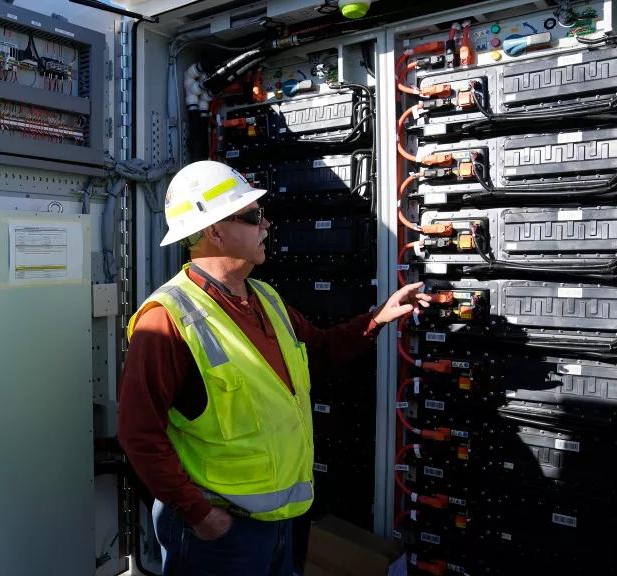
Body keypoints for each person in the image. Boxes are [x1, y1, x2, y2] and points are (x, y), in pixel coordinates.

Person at [118, 160, 430, 576]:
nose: (266, 225)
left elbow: (318, 351)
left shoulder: (266, 298)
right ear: (215, 231)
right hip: (222, 534)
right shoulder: (167, 318)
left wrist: (377, 319)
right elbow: (139, 434)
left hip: (283, 524)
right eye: (253, 216)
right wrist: (200, 516)